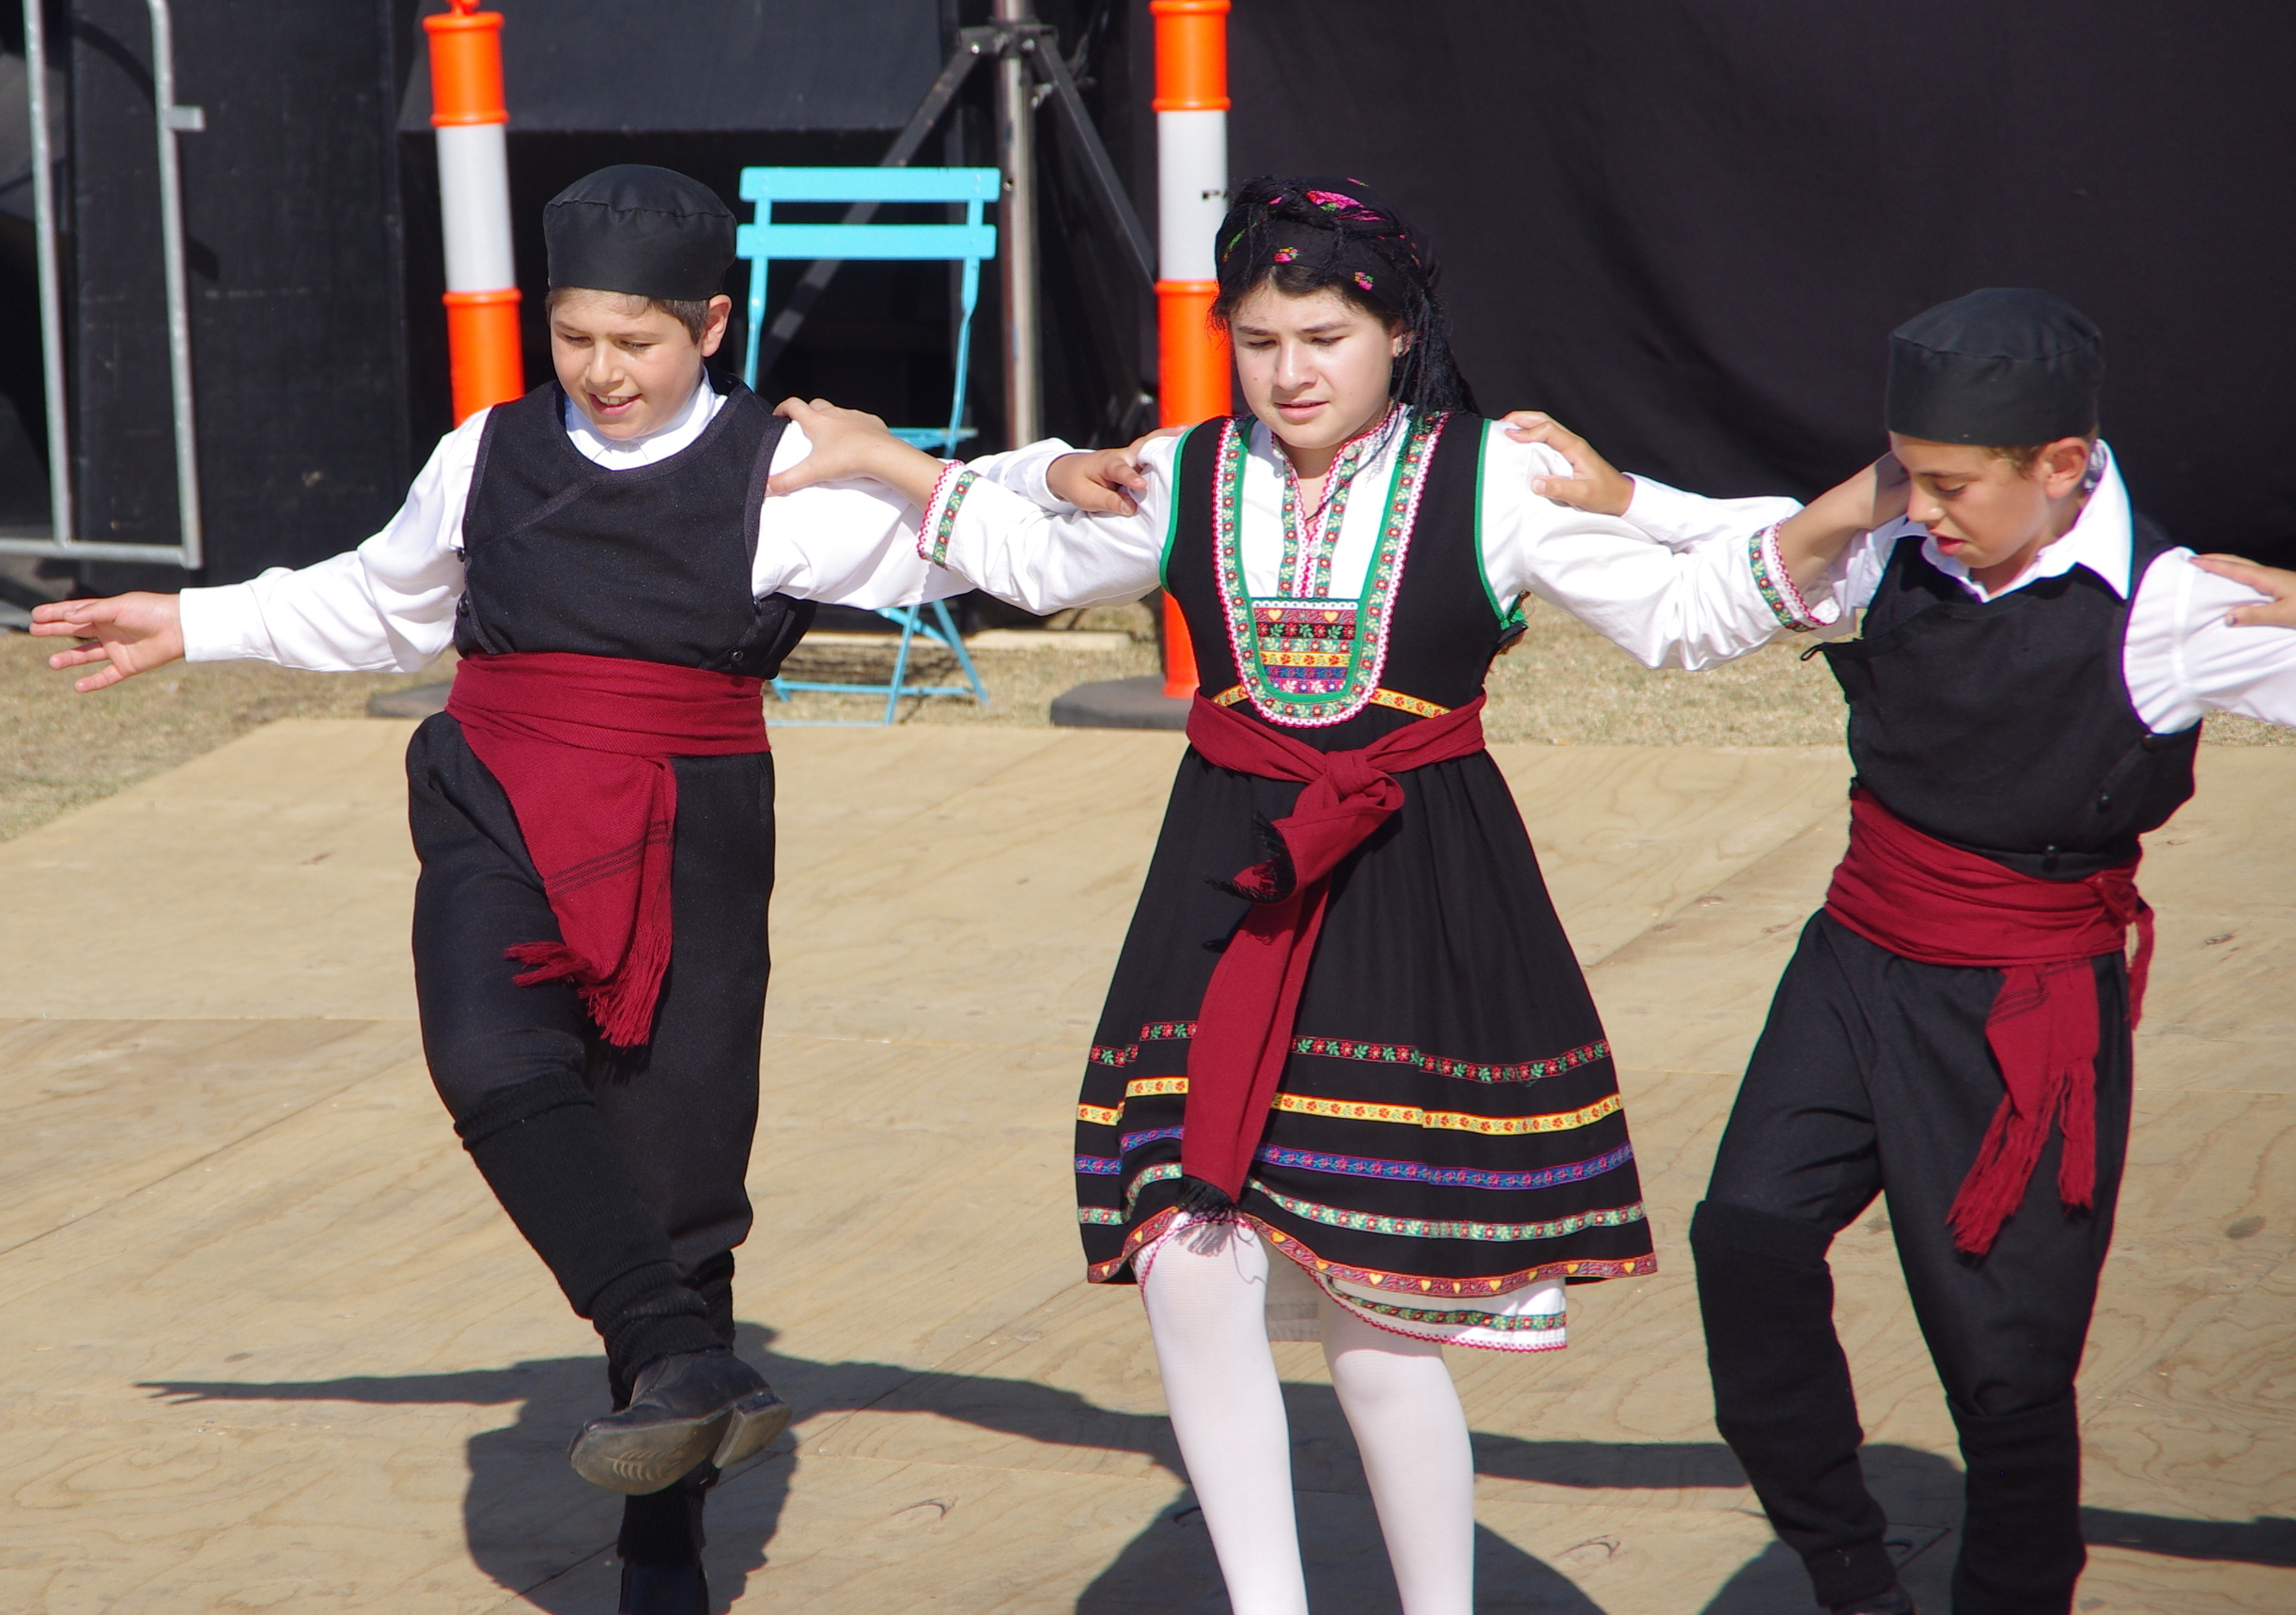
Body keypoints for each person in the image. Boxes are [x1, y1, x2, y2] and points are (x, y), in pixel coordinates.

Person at [766, 176, 1877, 1615]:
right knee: (1191, 1259)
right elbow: (1031, 563)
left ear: (1400, 335)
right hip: (1223, 884)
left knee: (1374, 1307)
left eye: (1326, 339)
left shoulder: (1492, 475)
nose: (1290, 371)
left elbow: (1678, 618)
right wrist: (892, 461)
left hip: (1413, 884)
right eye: (1262, 338)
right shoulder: (1186, 470)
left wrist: (1858, 505)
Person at [28, 165, 970, 1615]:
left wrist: (935, 469)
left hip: (686, 828)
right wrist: (194, 619)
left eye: (637, 342)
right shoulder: (487, 451)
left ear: (712, 324)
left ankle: (665, 1546)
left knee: (674, 1178)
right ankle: (672, 1348)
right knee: (484, 1049)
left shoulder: (784, 478)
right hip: (495, 790)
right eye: (577, 336)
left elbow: (1014, 540)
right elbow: (384, 597)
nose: (602, 370)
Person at [1524, 287, 2296, 1615]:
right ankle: (1849, 1577)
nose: (1920, 509)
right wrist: (1624, 495)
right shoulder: (1899, 547)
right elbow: (1759, 539)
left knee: (2004, 1365)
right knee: (1748, 1240)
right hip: (1858, 955)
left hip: (2023, 1007)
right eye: (1905, 478)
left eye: (1949, 484)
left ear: (2064, 468)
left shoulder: (2167, 610)